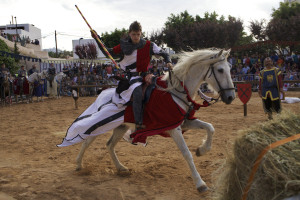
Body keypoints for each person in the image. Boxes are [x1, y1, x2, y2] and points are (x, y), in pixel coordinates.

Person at [92, 21, 173, 131]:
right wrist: (98, 39)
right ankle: (138, 123)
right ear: (129, 33)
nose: (136, 37)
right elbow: (108, 52)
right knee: (138, 92)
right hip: (132, 77)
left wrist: (168, 61)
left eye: (138, 34)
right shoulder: (124, 46)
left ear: (141, 33)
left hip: (146, 75)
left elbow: (164, 53)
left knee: (162, 87)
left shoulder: (149, 45)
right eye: (134, 34)